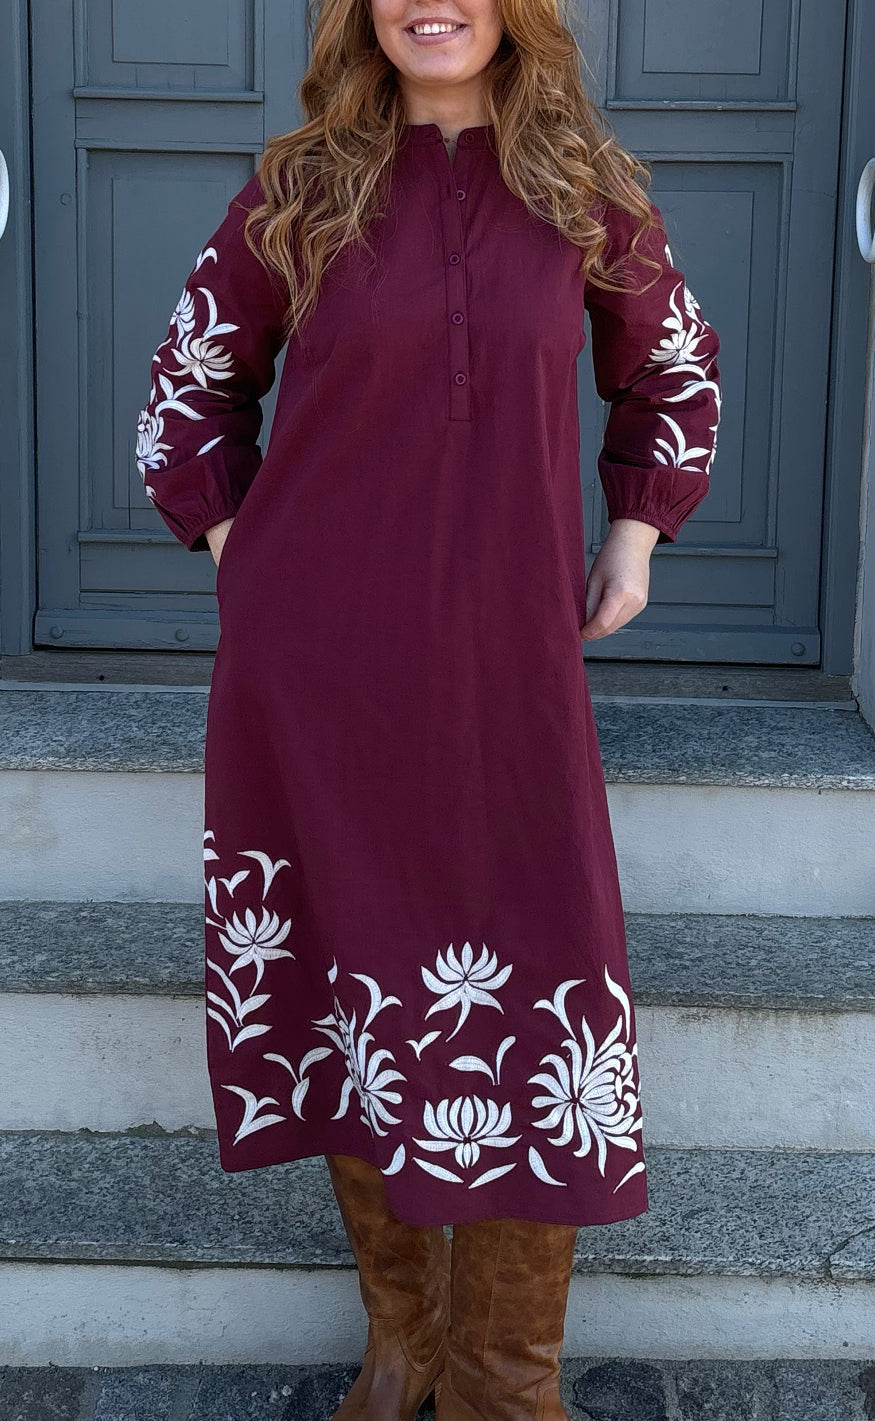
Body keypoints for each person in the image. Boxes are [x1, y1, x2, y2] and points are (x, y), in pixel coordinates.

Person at [135, 1, 722, 1416]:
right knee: (353, 978)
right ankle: (403, 1346)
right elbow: (186, 393)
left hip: (506, 679)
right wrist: (252, 559)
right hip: (318, 680)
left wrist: (636, 532)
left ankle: (503, 1386)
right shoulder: (298, 191)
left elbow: (673, 371)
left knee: (538, 984)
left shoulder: (581, 188)